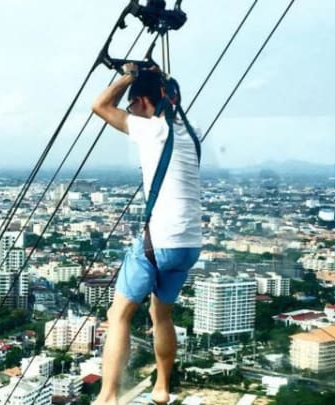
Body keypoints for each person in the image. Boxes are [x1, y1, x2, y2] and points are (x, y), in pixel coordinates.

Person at [90, 63, 202, 405]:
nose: (129, 111)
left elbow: (100, 107)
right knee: (161, 314)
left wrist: (129, 75)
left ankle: (108, 396)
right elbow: (165, 101)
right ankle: (162, 388)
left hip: (160, 242)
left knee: (118, 314)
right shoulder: (189, 130)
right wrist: (159, 82)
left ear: (143, 102)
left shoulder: (150, 129)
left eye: (132, 104)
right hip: (188, 245)